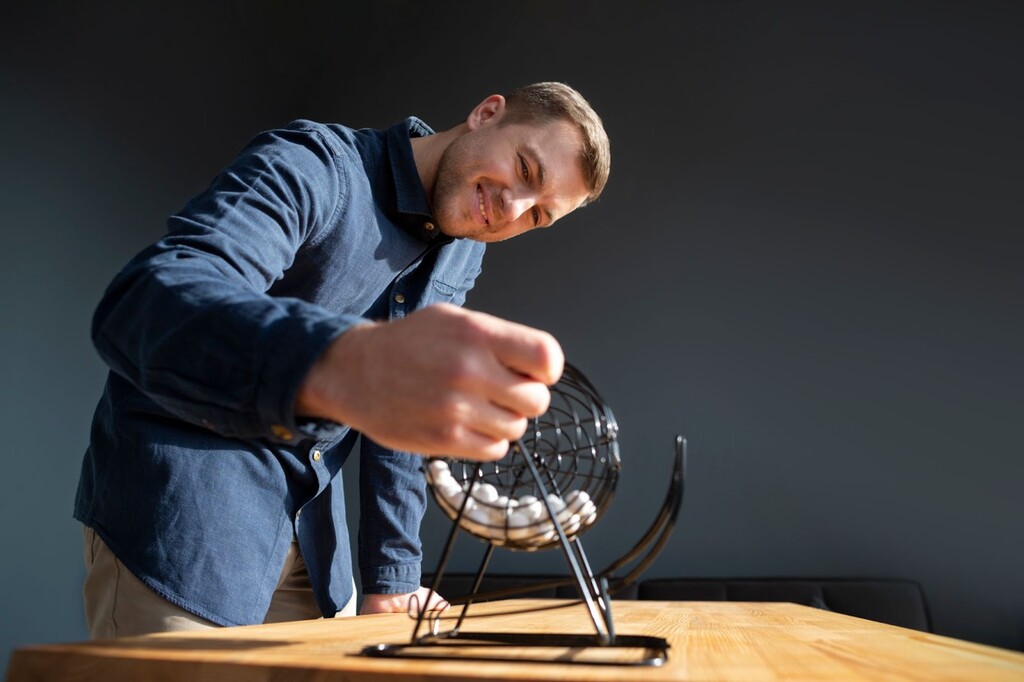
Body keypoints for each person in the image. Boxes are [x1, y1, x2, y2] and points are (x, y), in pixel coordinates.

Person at [74, 81, 611, 638]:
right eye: (525, 170)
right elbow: (147, 304)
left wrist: (392, 578)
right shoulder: (314, 166)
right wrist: (342, 363)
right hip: (188, 533)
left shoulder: (465, 245)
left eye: (539, 216)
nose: (512, 210)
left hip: (314, 552)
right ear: (486, 113)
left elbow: (402, 420)